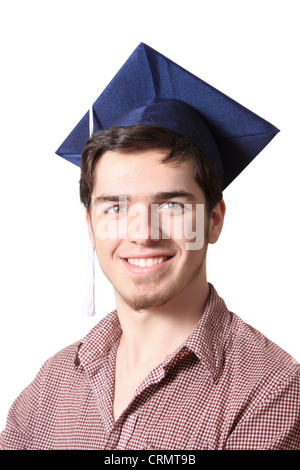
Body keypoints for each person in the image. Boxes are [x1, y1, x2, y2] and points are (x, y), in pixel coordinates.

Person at [1, 43, 299, 450]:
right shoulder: (51, 386)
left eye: (172, 204)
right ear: (90, 225)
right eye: (115, 206)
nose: (142, 233)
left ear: (213, 220)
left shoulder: (271, 391)